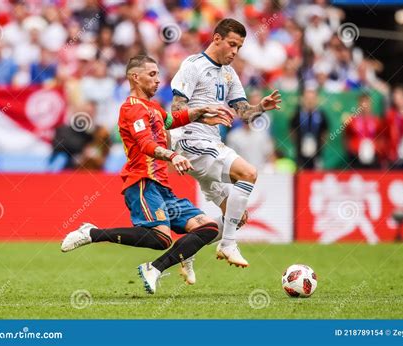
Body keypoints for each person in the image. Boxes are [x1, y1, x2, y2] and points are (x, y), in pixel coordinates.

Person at [61, 55, 234, 294]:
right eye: (151, 75)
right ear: (135, 77)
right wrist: (173, 156)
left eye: (157, 74)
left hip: (162, 187)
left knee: (207, 228)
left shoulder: (152, 108)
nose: (157, 80)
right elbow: (145, 144)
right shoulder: (131, 109)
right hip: (142, 181)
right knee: (161, 238)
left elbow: (172, 120)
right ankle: (92, 233)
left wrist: (201, 113)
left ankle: (155, 268)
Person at [170, 18, 282, 284]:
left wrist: (260, 108)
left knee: (237, 215)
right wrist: (203, 117)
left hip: (212, 145)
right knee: (249, 172)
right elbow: (175, 111)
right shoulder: (193, 66)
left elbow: (243, 112)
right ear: (216, 38)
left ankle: (187, 251)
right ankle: (228, 244)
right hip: (191, 142)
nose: (235, 51)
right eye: (232, 44)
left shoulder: (229, 74)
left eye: (240, 47)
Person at [290, 88, 328, 170]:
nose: (310, 101)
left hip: (317, 154)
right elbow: (292, 131)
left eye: (312, 99)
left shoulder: (321, 115)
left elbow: (325, 132)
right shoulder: (297, 114)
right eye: (307, 99)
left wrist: (320, 145)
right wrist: (297, 143)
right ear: (303, 99)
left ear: (316, 100)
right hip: (300, 153)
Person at [345, 93, 385, 169]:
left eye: (367, 103)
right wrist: (351, 151)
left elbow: (381, 137)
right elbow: (347, 137)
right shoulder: (352, 121)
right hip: (356, 157)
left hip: (373, 156)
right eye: (362, 103)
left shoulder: (377, 121)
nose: (365, 106)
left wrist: (378, 150)